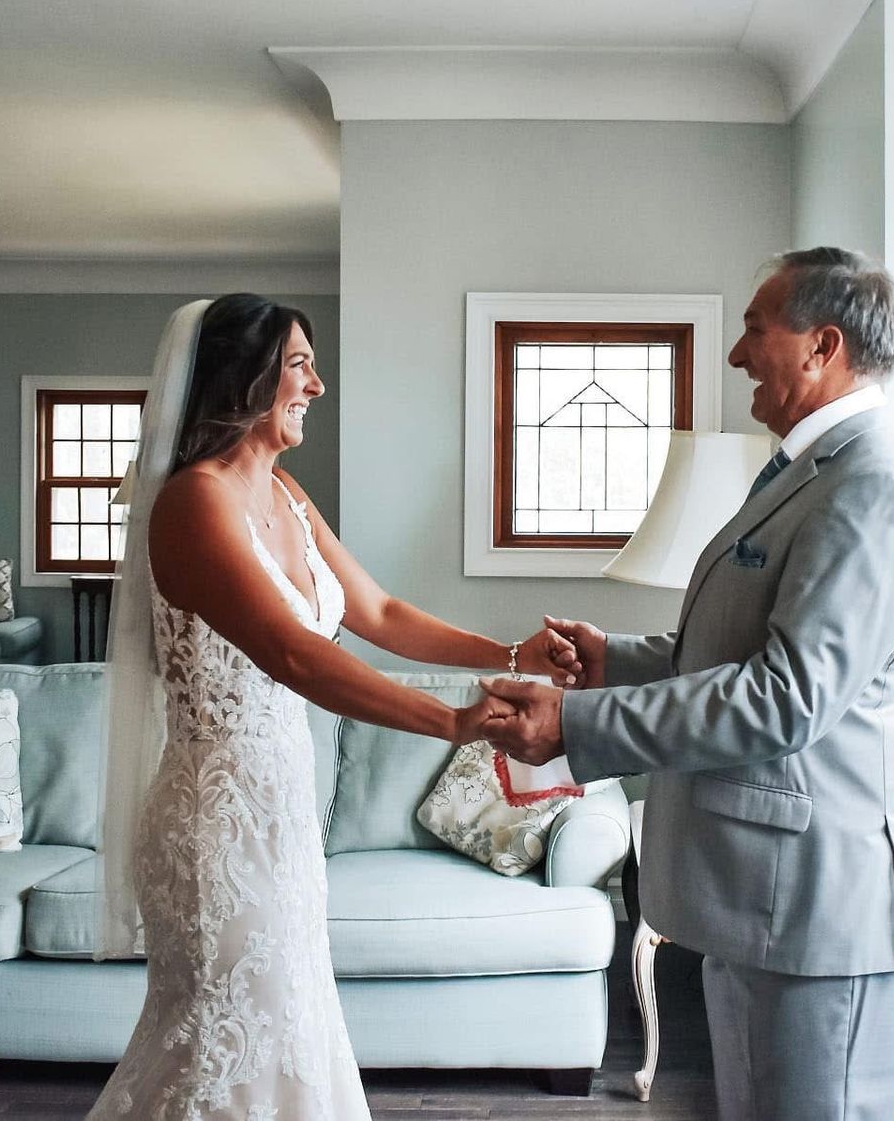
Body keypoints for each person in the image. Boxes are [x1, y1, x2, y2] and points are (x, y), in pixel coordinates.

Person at [481, 248, 894, 1121]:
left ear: (822, 347)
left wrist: (579, 722)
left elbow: (784, 697)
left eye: (754, 330)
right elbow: (740, 647)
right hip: (763, 901)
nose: (736, 355)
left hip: (823, 911)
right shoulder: (806, 472)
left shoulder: (870, 487)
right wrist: (613, 659)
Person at [91, 295, 577, 1120]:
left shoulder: (285, 494)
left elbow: (378, 612)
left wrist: (508, 654)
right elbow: (292, 654)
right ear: (243, 378)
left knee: (286, 1032)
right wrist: (450, 722)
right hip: (215, 828)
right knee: (220, 1046)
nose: (317, 386)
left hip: (283, 815)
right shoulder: (194, 503)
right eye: (299, 366)